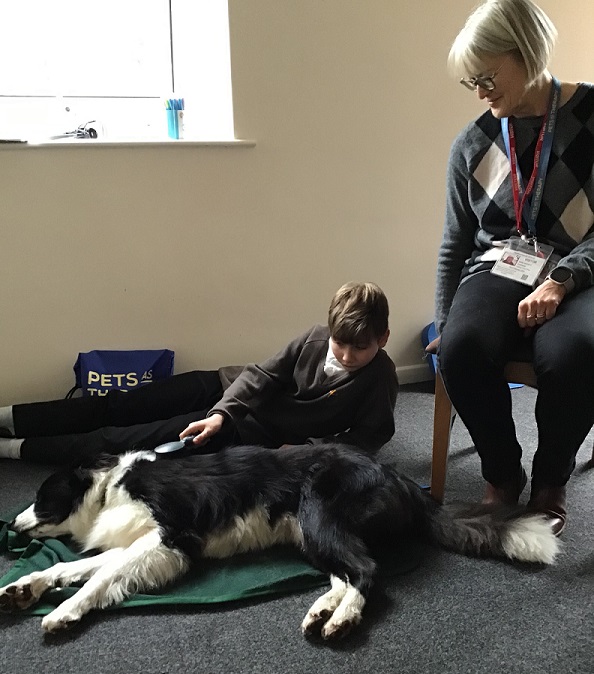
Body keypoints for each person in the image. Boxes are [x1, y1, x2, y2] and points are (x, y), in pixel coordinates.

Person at [427, 0, 594, 536]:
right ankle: (502, 479)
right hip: (502, 265)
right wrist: (443, 317)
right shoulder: (473, 142)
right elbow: (455, 243)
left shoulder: (590, 117)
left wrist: (563, 280)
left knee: (572, 353)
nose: (480, 92)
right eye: (470, 81)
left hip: (580, 269)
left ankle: (551, 481)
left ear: (526, 52)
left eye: (488, 76)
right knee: (462, 347)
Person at [0, 282, 398, 465]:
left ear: (382, 338)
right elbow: (260, 376)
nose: (346, 355)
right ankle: (11, 418)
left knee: (120, 441)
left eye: (359, 348)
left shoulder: (380, 378)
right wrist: (220, 411)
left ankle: (14, 450)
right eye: (339, 343)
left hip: (251, 430)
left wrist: (309, 448)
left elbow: (371, 436)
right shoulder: (313, 338)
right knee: (116, 405)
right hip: (222, 389)